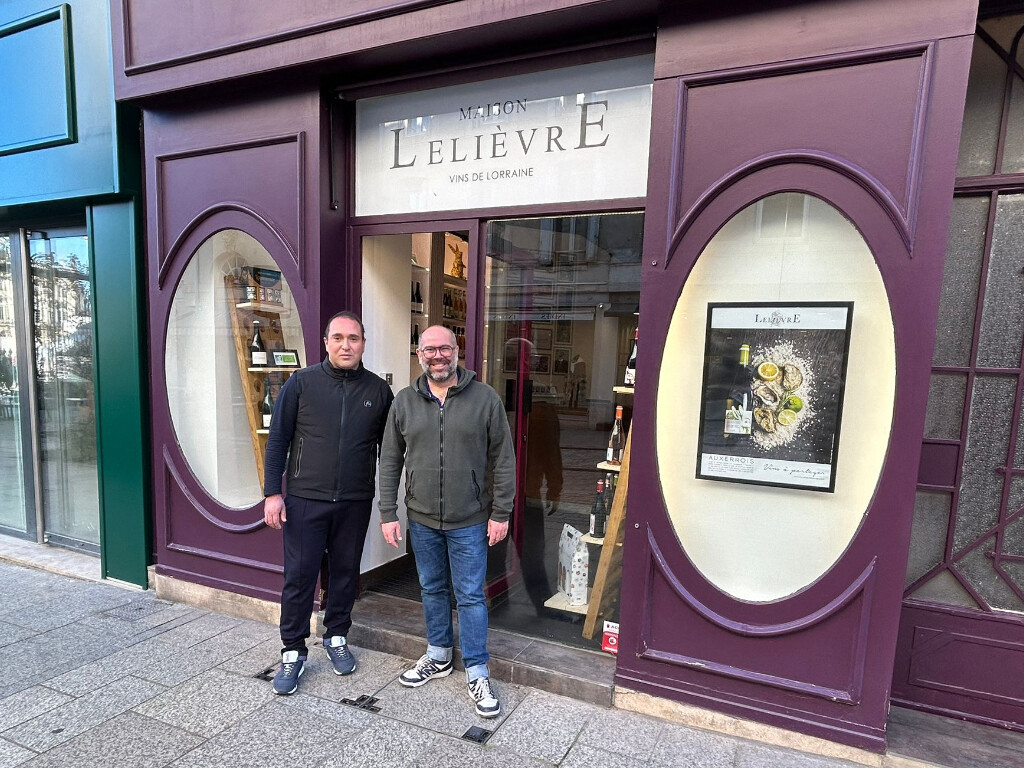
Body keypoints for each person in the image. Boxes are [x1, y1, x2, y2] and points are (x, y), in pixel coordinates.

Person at [378, 325, 515, 718]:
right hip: (421, 518)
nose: (437, 356)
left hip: (470, 519)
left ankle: (476, 669)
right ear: (419, 354)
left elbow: (503, 460)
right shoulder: (404, 401)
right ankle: (438, 655)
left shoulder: (485, 398)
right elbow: (389, 460)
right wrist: (389, 513)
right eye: (429, 350)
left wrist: (500, 512)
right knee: (431, 587)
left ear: (458, 351)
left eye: (445, 349)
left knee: (471, 594)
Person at [263, 311, 394, 695]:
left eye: (353, 338)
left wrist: (389, 501)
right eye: (338, 338)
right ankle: (292, 650)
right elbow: (278, 440)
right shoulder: (301, 384)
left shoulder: (377, 391)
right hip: (305, 499)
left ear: (363, 344)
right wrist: (273, 492)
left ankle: (337, 636)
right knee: (299, 576)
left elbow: (390, 450)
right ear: (326, 343)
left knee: (344, 573)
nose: (346, 345)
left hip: (354, 500)